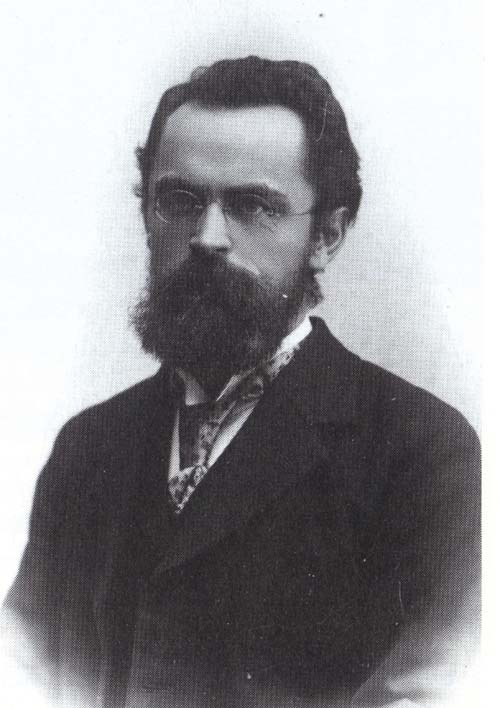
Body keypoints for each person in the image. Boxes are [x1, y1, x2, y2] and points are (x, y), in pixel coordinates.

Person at [1, 56, 480, 708]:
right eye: (179, 201)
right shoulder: (88, 449)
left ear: (327, 235)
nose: (207, 238)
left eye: (252, 206)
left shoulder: (424, 453)